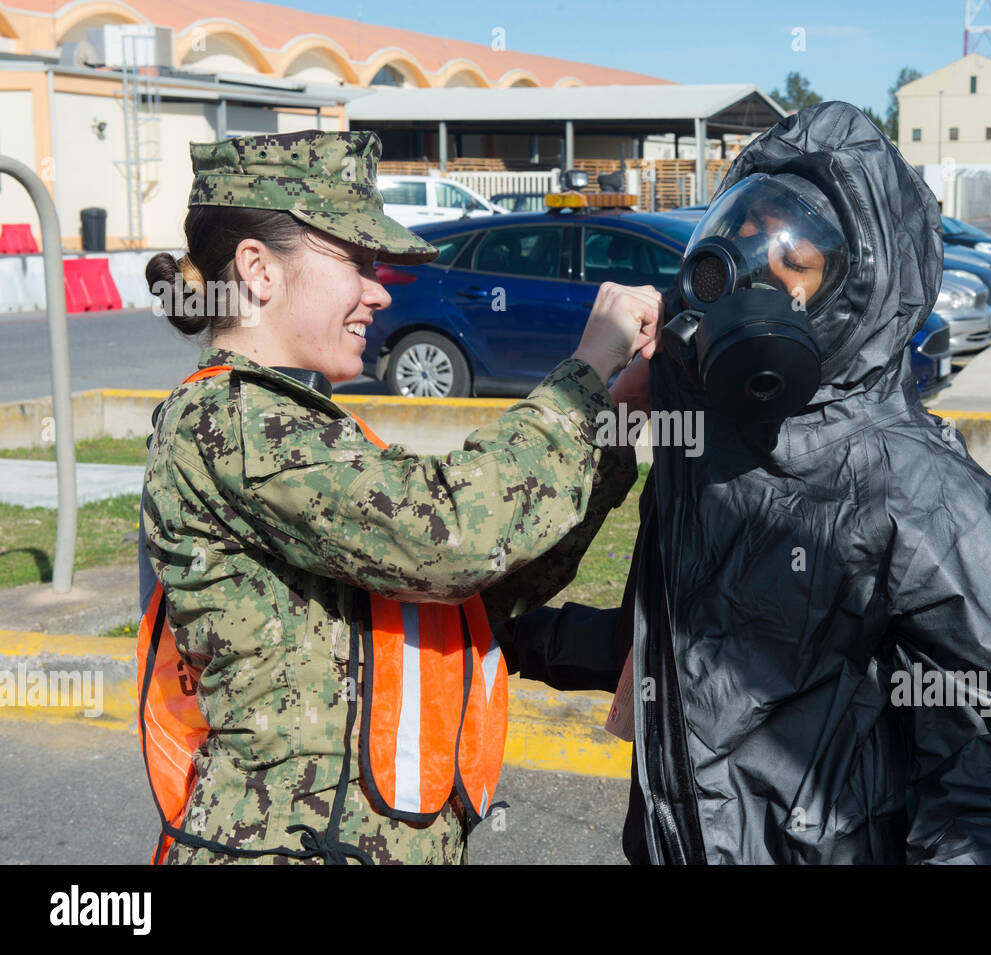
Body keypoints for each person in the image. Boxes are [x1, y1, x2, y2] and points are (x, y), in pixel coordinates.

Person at [494, 101, 991, 864]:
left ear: (856, 285)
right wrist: (510, 635)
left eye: (796, 266)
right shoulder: (707, 458)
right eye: (742, 254)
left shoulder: (919, 489)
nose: (761, 284)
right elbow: (684, 649)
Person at [137, 129, 659, 864]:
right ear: (257, 270)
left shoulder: (295, 424)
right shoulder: (228, 422)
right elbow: (450, 537)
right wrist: (586, 365)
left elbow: (477, 585)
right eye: (355, 262)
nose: (379, 291)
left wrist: (614, 415)